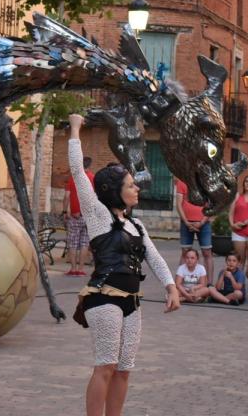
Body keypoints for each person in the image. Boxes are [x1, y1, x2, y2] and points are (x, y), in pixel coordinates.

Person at [67, 114, 178, 416]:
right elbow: (78, 172)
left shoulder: (137, 225)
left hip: (131, 301)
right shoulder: (98, 216)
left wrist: (171, 287)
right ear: (115, 190)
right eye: (131, 185)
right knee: (106, 365)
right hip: (104, 298)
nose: (137, 188)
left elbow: (154, 257)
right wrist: (76, 128)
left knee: (124, 369)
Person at [63, 156, 95, 276]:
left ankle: (73, 269)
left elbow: (66, 197)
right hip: (87, 217)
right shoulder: (93, 178)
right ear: (90, 165)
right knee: (84, 243)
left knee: (72, 242)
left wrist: (65, 211)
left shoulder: (73, 179)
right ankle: (81, 269)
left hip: (75, 216)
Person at [176, 177, 213, 281]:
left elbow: (211, 205)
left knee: (207, 253)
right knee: (185, 252)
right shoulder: (182, 181)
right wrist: (186, 222)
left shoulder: (206, 181)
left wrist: (201, 222)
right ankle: (180, 283)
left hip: (204, 222)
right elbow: (178, 205)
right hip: (186, 222)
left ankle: (208, 284)